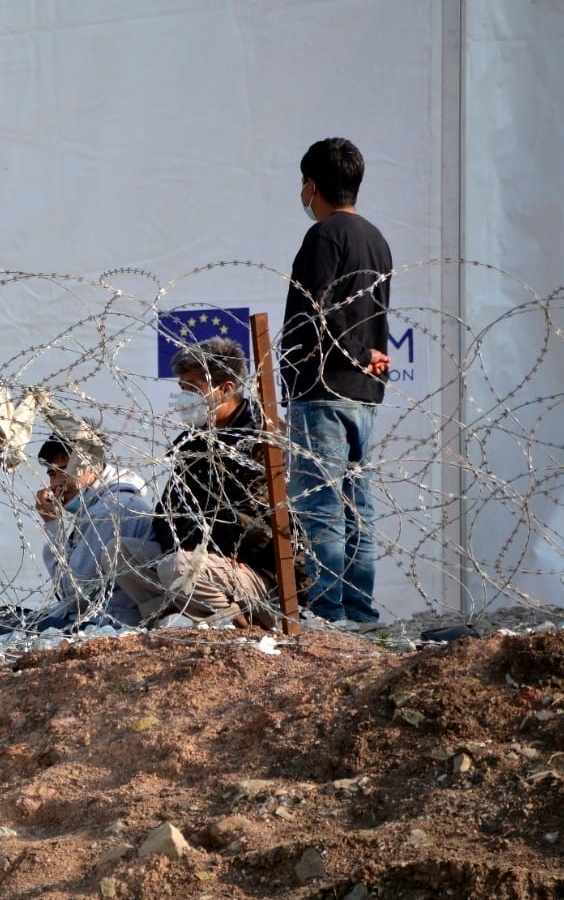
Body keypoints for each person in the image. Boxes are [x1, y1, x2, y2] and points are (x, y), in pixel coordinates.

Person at [280, 137, 392, 624]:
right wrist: (366, 357)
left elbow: (313, 313)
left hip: (323, 387)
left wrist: (346, 353)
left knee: (323, 505)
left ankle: (329, 610)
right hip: (363, 393)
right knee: (355, 506)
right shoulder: (376, 239)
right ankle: (359, 609)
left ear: (312, 184)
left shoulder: (325, 237)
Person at [118, 339, 277, 628]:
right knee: (123, 551)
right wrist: (183, 544)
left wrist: (195, 549)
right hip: (199, 559)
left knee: (180, 565)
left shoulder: (258, 443)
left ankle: (238, 624)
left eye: (194, 386)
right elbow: (166, 514)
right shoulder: (191, 443)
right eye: (182, 387)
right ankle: (173, 620)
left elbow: (257, 527)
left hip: (251, 569)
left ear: (227, 388)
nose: (185, 397)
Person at [0, 426, 152, 634]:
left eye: (64, 471)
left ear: (92, 465)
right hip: (97, 620)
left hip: (103, 626)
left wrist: (54, 526)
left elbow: (74, 595)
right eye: (52, 474)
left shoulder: (110, 510)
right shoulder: (107, 503)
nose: (55, 485)